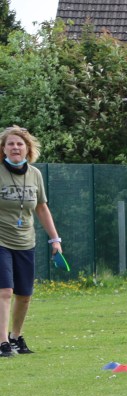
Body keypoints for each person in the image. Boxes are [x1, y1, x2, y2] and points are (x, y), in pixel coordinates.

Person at [0, 126, 63, 358]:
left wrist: (55, 239)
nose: (15, 147)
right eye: (10, 144)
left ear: (27, 149)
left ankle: (16, 337)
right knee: (5, 291)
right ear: (3, 149)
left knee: (24, 294)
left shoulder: (35, 174)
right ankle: (2, 342)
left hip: (26, 240)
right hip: (1, 240)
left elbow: (41, 207)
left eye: (20, 144)